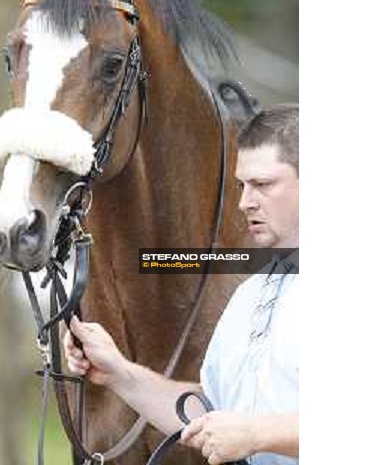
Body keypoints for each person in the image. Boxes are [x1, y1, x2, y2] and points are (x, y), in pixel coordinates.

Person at [64, 105, 299, 465]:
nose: (244, 202)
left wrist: (255, 435)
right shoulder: (249, 295)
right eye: (241, 185)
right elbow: (210, 410)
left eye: (263, 185)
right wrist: (118, 372)